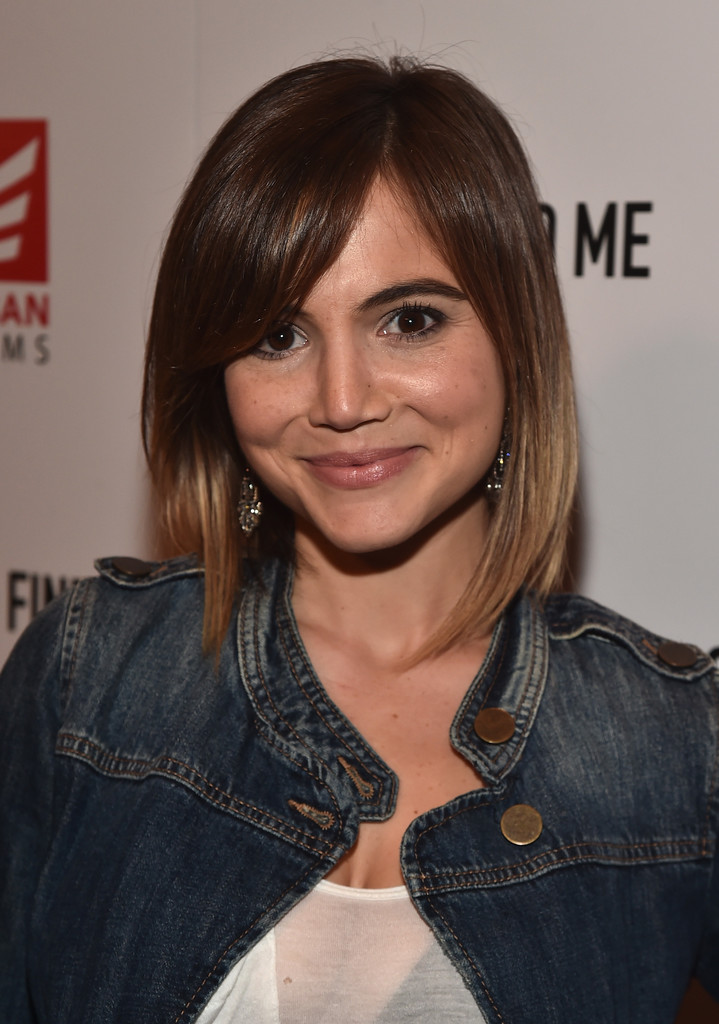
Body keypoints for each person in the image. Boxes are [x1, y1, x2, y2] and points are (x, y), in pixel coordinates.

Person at [1, 55, 717, 1024]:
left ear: (516, 337)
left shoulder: (669, 743)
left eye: (408, 320)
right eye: (278, 336)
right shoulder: (90, 675)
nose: (341, 401)